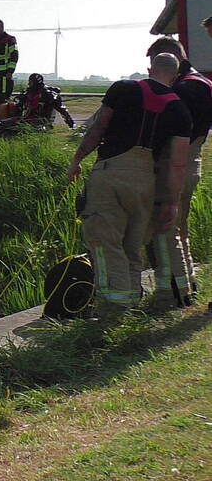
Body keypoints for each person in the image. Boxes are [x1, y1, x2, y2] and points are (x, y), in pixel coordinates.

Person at [68, 53, 191, 318]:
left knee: (103, 240)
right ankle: (131, 302)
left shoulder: (123, 89)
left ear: (150, 69)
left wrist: (77, 159)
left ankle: (112, 309)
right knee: (131, 244)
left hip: (110, 172)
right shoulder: (180, 109)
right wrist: (171, 202)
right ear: (176, 75)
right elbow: (178, 164)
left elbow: (98, 128)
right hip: (146, 179)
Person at [145, 37, 212, 299]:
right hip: (192, 161)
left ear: (172, 59)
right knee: (180, 229)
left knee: (165, 228)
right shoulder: (203, 83)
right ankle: (188, 284)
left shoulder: (185, 90)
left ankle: (172, 292)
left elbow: (174, 132)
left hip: (176, 164)